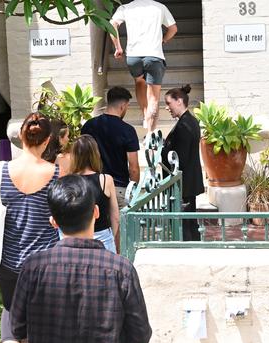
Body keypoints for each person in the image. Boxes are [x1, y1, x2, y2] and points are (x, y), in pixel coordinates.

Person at [10, 175, 152, 343]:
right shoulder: (121, 270)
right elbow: (140, 334)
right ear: (96, 212)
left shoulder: (33, 268)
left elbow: (17, 327)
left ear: (53, 222)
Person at [0, 112, 59, 343]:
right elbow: (63, 212)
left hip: (8, 259)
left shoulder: (0, 170)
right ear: (47, 141)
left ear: (21, 138)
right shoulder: (56, 172)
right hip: (45, 262)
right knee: (44, 313)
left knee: (12, 309)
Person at [110, 0, 177, 133]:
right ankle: (151, 134)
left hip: (134, 57)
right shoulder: (159, 7)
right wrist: (164, 39)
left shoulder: (126, 7)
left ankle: (146, 116)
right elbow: (173, 29)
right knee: (153, 98)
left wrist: (118, 47)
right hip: (154, 56)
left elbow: (112, 24)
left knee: (139, 81)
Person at [82, 86, 140, 209]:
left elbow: (81, 156)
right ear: (123, 105)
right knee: (120, 226)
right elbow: (133, 167)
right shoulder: (127, 130)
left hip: (93, 185)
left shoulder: (88, 126)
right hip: (118, 188)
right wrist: (133, 189)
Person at [162, 85, 205, 241]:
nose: (167, 108)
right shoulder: (190, 121)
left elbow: (180, 157)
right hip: (188, 181)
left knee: (186, 224)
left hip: (184, 183)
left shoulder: (184, 125)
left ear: (179, 101)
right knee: (189, 222)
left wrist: (164, 150)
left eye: (168, 103)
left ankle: (189, 250)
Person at [69, 135, 120, 253]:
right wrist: (111, 236)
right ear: (95, 154)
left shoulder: (69, 181)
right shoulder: (106, 180)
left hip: (76, 236)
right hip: (103, 237)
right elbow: (115, 216)